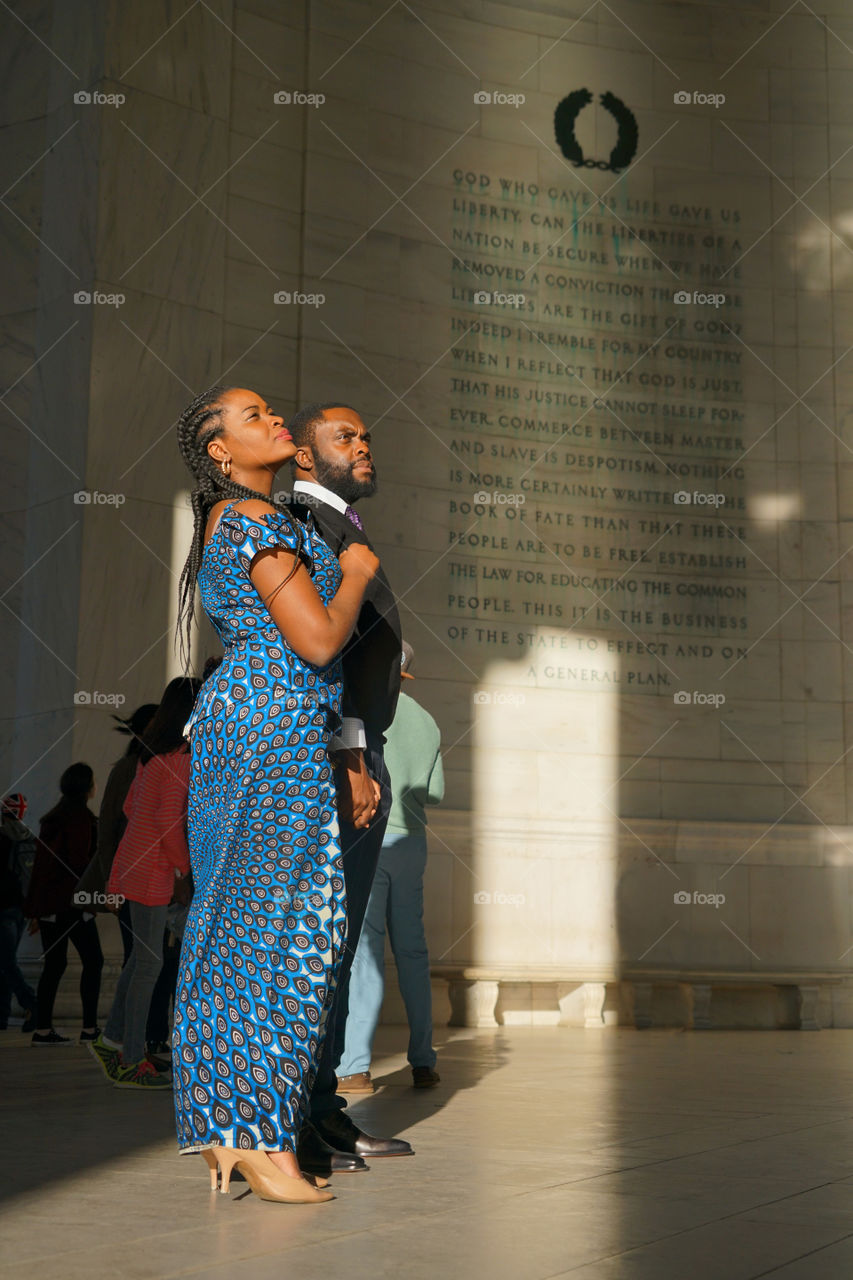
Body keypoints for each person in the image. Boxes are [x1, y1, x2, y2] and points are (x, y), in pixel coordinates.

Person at [170, 383, 380, 1205]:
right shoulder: (253, 522)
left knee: (251, 928)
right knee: (286, 933)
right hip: (269, 731)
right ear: (220, 451)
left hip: (265, 727)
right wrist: (356, 572)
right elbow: (320, 638)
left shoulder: (253, 520)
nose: (274, 420)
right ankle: (254, 1138)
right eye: (252, 416)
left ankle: (238, 1131)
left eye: (270, 410)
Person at [288, 402, 413, 1172]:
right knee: (317, 946)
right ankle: (301, 1122)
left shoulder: (343, 525)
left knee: (332, 945)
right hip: (342, 759)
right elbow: (318, 658)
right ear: (304, 457)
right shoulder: (306, 524)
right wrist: (352, 754)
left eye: (366, 435)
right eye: (343, 437)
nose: (362, 445)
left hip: (359, 752)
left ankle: (324, 1112)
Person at [337, 641, 444, 1093]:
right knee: (413, 954)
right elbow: (434, 792)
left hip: (371, 840)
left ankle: (356, 1067)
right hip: (412, 844)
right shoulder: (427, 721)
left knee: (366, 956)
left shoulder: (357, 710)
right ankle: (423, 1059)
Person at [90, 677, 200, 1089]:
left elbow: (130, 806)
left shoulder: (152, 758)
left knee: (140, 959)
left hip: (135, 866)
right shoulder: (179, 762)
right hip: (153, 871)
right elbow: (169, 828)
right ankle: (131, 1059)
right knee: (150, 964)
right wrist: (184, 870)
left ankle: (113, 1040)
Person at [24, 763, 103, 1044]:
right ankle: (90, 1027)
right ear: (87, 787)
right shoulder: (81, 819)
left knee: (54, 966)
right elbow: (81, 864)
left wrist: (35, 910)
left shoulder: (51, 818)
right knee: (94, 961)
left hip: (49, 905)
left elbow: (40, 869)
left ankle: (43, 1028)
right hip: (73, 904)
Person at [76, 702, 159, 962]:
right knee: (139, 960)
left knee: (151, 962)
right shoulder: (127, 770)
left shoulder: (169, 766)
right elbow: (109, 831)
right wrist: (114, 881)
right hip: (133, 880)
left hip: (156, 879)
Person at [0, 794, 37, 1031]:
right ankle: (2, 1015)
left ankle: (32, 1003)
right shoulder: (31, 839)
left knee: (5, 962)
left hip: (2, 907)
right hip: (21, 909)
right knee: (5, 961)